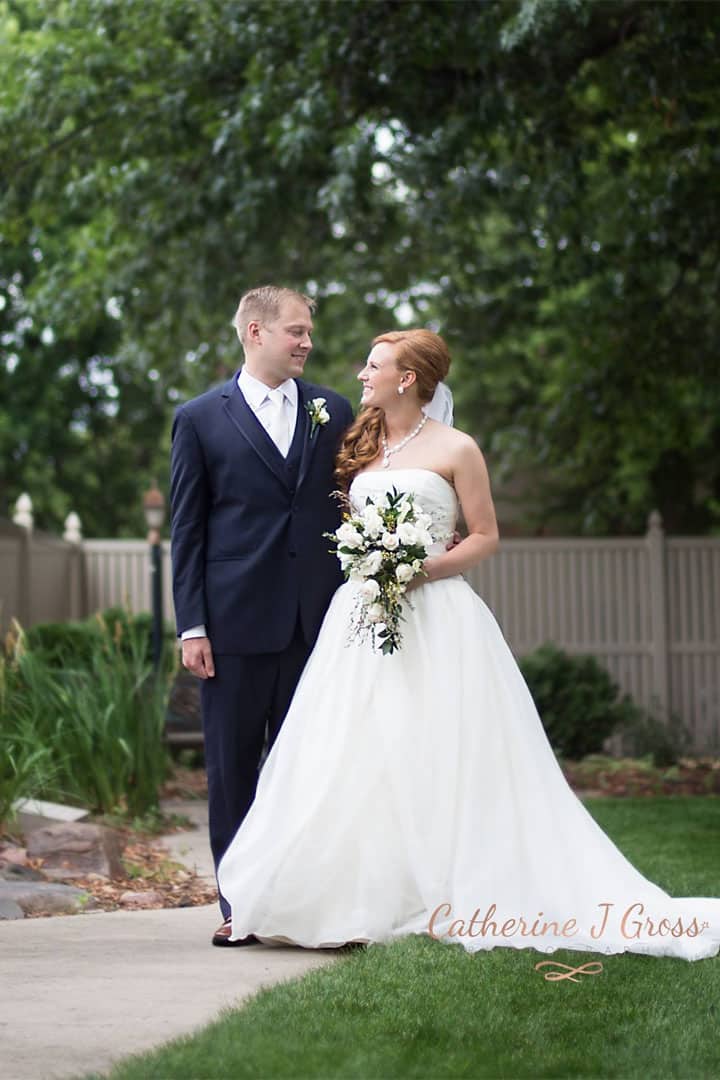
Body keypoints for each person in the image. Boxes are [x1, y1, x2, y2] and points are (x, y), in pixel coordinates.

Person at [217, 328, 720, 961]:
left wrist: (414, 568)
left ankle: (456, 884)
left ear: (408, 379)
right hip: (361, 617)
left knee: (442, 746)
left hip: (438, 615)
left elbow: (484, 537)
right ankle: (344, 894)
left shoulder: (458, 448)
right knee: (353, 746)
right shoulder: (360, 444)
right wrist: (370, 566)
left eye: (373, 366)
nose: (360, 375)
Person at [169, 285, 354, 946]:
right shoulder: (199, 418)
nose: (307, 343)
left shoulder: (333, 409)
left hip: (318, 623)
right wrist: (193, 625)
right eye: (296, 332)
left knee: (316, 769)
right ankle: (239, 908)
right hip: (234, 626)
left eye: (308, 333)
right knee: (233, 772)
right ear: (255, 332)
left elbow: (353, 498)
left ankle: (316, 905)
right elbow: (186, 531)